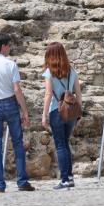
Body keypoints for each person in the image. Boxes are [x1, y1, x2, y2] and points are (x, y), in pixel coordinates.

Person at [0, 33, 35, 193]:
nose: (10, 48)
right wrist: (25, 112)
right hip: (10, 104)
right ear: (3, 46)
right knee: (18, 143)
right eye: (9, 45)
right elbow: (17, 89)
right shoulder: (10, 64)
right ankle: (22, 182)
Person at [42, 41, 82, 189]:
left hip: (56, 111)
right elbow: (78, 94)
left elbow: (47, 94)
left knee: (60, 145)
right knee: (65, 143)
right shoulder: (72, 70)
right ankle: (70, 177)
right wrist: (79, 112)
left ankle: (65, 179)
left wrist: (44, 115)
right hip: (71, 112)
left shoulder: (49, 72)